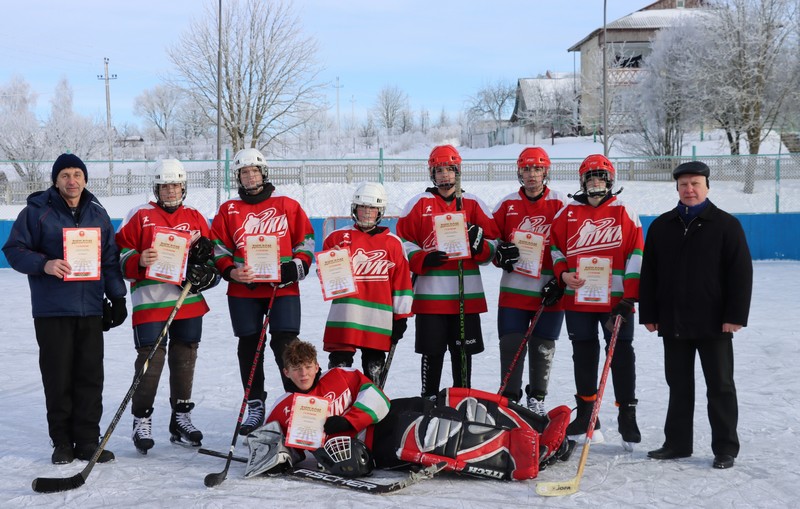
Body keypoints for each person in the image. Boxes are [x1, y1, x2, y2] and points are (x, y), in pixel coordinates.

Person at [246, 339, 572, 481]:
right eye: (296, 369)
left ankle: (543, 425)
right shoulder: (286, 408)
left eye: (307, 367)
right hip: (381, 444)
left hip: (390, 415)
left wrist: (345, 419)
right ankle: (530, 453)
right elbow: (270, 445)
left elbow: (376, 397)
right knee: (442, 436)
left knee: (456, 403)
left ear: (316, 366)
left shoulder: (340, 376)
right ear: (286, 372)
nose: (303, 374)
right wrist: (283, 457)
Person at [2, 153, 128, 465]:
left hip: (89, 309)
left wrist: (118, 297)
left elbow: (110, 260)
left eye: (77, 174)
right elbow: (14, 249)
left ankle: (87, 441)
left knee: (90, 377)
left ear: (85, 179)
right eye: (65, 175)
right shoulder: (36, 212)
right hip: (53, 309)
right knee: (58, 377)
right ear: (55, 180)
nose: (71, 181)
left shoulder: (97, 214)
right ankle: (62, 442)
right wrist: (45, 264)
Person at [639, 161, 752, 470]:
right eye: (684, 184)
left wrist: (735, 315)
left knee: (720, 386)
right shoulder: (662, 226)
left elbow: (741, 274)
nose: (689, 189)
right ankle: (677, 443)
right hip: (673, 319)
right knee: (679, 384)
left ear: (707, 187)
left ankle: (725, 447)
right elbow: (649, 274)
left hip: (715, 322)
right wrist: (649, 313)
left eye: (695, 184)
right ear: (677, 188)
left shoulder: (726, 225)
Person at [115, 159, 221, 454]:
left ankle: (181, 416)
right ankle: (141, 418)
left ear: (183, 187)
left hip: (186, 299)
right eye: (165, 186)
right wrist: (138, 260)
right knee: (151, 360)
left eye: (175, 185)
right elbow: (120, 252)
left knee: (185, 356)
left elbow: (210, 260)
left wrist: (207, 273)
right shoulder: (140, 215)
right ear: (156, 188)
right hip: (150, 300)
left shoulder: (196, 216)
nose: (170, 190)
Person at [211, 147, 315, 435]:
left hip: (282, 289)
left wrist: (294, 268)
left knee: (286, 344)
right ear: (238, 177)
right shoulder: (228, 210)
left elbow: (305, 242)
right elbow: (218, 248)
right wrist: (231, 271)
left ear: (264, 172)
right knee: (249, 345)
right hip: (244, 290)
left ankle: (294, 400)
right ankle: (255, 402)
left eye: (254, 171)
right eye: (244, 172)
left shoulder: (288, 205)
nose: (250, 176)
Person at [549, 154, 643, 444]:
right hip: (579, 298)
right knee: (584, 352)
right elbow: (555, 249)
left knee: (621, 353)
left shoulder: (624, 211)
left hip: (616, 301)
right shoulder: (567, 213)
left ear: (610, 180)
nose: (595, 182)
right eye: (590, 177)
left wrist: (630, 298)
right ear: (582, 181)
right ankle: (588, 413)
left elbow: (636, 255)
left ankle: (627, 414)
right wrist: (563, 275)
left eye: (600, 177)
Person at [396, 144, 500, 400]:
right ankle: (428, 399)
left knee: (462, 353)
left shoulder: (474, 203)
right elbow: (401, 242)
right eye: (438, 170)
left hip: (466, 296)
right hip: (430, 296)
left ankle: (461, 398)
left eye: (449, 170)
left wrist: (481, 247)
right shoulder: (417, 203)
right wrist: (421, 257)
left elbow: (495, 243)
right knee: (432, 352)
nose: (444, 175)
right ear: (432, 173)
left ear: (458, 172)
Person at [492, 147, 568, 416]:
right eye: (526, 169)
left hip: (550, 290)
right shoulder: (507, 204)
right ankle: (509, 400)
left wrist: (561, 281)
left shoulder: (561, 204)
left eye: (537, 169)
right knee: (511, 344)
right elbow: (492, 240)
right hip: (513, 291)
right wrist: (499, 252)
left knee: (543, 346)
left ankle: (536, 398)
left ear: (546, 171)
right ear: (519, 172)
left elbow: (572, 245)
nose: (532, 174)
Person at [322, 182, 413, 383]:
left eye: (372, 208)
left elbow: (402, 282)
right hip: (345, 315)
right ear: (354, 208)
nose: (367, 213)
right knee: (339, 368)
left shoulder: (393, 243)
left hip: (378, 317)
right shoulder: (336, 238)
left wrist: (401, 317)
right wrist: (331, 261)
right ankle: (339, 407)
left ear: (380, 211)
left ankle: (371, 411)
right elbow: (326, 279)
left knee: (373, 369)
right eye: (363, 207)